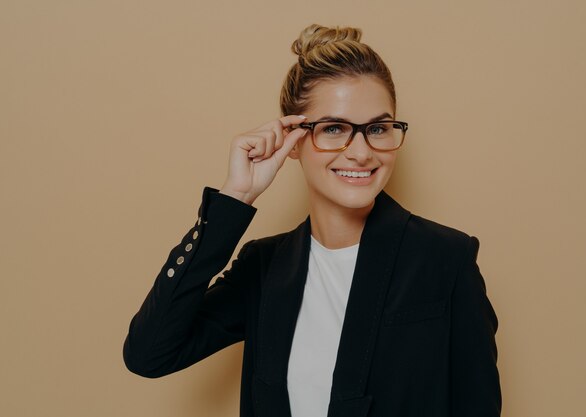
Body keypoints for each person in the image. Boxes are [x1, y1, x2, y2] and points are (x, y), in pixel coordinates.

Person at [123, 23, 502, 417]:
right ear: (293, 138)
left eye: (377, 128)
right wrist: (235, 198)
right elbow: (148, 354)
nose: (361, 152)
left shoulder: (445, 258)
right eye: (334, 128)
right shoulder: (264, 267)